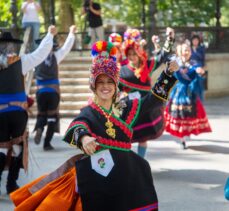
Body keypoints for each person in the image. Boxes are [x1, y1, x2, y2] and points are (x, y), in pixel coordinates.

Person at [10, 40, 179, 210]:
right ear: (93, 86)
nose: (105, 87)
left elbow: (153, 100)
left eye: (109, 82)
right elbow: (78, 126)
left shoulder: (127, 107)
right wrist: (84, 139)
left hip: (125, 172)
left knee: (141, 175)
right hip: (98, 172)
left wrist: (167, 74)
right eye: (101, 82)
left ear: (116, 85)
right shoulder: (90, 111)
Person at [0, 25, 57, 195]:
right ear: (12, 46)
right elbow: (40, 53)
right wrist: (49, 35)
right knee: (18, 148)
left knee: (1, 148)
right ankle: (11, 184)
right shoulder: (21, 61)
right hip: (18, 113)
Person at [118, 27, 175, 158]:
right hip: (130, 108)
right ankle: (129, 163)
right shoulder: (122, 70)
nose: (132, 57)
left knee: (143, 137)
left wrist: (170, 39)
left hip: (147, 106)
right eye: (129, 54)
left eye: (134, 54)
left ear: (139, 53)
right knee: (127, 136)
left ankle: (141, 161)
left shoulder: (147, 65)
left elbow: (162, 56)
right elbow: (117, 90)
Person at [33, 25, 76, 151]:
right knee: (52, 116)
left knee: (41, 114)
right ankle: (47, 143)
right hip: (53, 92)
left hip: (40, 91)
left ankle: (40, 127)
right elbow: (67, 47)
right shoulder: (56, 56)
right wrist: (71, 33)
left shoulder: (36, 58)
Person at [164, 41, 212, 149]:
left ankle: (184, 136)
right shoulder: (176, 64)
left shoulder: (194, 63)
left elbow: (198, 76)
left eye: (188, 50)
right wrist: (178, 71)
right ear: (180, 52)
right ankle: (182, 139)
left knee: (189, 116)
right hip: (179, 93)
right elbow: (182, 79)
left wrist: (201, 73)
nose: (187, 52)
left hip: (191, 93)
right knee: (179, 115)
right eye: (185, 50)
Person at [190, 34, 206, 101]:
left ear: (199, 41)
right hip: (191, 69)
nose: (195, 41)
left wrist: (203, 68)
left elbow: (203, 59)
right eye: (194, 40)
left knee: (200, 85)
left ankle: (200, 101)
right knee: (192, 85)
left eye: (197, 40)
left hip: (199, 69)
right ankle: (192, 100)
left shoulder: (201, 49)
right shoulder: (189, 49)